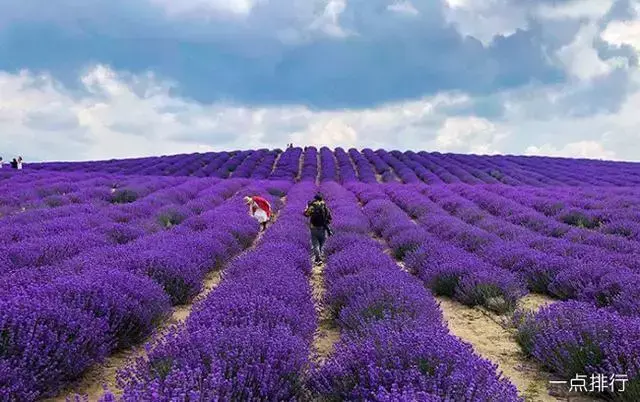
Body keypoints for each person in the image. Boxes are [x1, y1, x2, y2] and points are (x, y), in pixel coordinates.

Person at [304, 192, 333, 265]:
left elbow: (306, 214)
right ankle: (319, 257)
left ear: (315, 199)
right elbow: (330, 218)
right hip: (323, 228)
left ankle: (318, 258)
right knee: (322, 244)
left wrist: (306, 208)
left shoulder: (312, 206)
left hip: (314, 228)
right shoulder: (325, 206)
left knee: (315, 243)